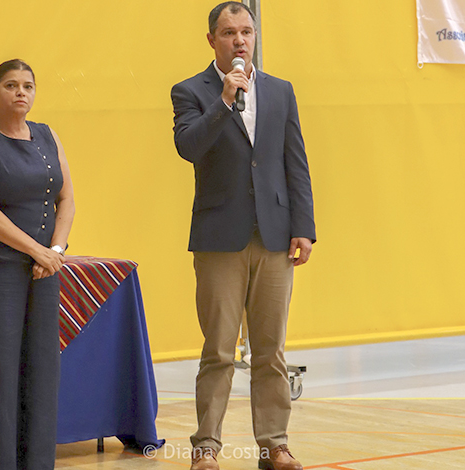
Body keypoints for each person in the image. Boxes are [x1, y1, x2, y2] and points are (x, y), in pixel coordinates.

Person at [171, 3, 316, 470]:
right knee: (218, 349)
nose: (239, 40)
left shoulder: (280, 90)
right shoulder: (190, 91)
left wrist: (303, 227)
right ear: (211, 39)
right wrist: (223, 100)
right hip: (219, 237)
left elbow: (295, 161)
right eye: (229, 32)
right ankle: (206, 447)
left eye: (247, 32)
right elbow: (189, 146)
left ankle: (274, 444)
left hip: (274, 235)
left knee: (271, 350)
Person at [0, 59, 75, 470]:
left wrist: (55, 250)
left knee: (42, 373)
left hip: (45, 270)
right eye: (11, 85)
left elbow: (66, 198)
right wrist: (37, 251)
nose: (21, 92)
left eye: (28, 85)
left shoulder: (48, 135)